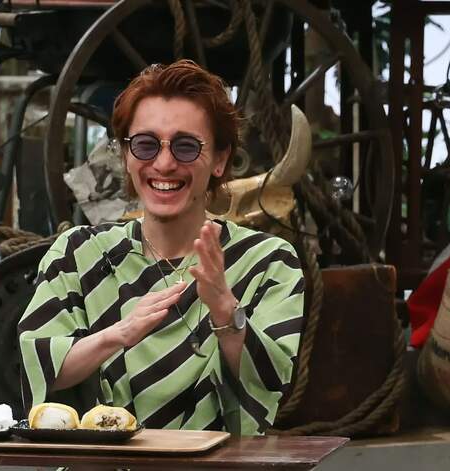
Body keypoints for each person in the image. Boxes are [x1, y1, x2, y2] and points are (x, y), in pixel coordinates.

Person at [18, 59, 304, 435]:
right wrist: (119, 333)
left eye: (186, 147)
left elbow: (271, 380)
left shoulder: (267, 261)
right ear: (126, 155)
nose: (164, 164)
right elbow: (40, 368)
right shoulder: (77, 254)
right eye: (146, 145)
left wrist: (225, 311)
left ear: (220, 160)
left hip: (219, 462)